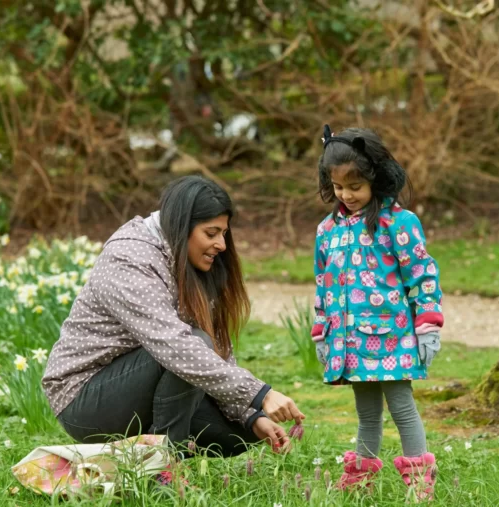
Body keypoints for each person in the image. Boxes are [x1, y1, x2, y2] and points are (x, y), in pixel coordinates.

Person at [42, 175, 304, 459]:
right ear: (182, 227)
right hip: (85, 400)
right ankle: (163, 465)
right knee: (190, 346)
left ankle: (145, 453)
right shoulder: (129, 258)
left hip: (142, 381)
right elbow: (174, 346)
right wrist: (260, 394)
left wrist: (250, 414)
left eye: (224, 233)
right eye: (211, 233)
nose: (222, 245)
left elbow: (214, 349)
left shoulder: (188, 261)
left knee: (239, 434)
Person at [310, 124, 443, 500]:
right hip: (351, 344)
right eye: (338, 187)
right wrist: (323, 330)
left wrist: (428, 325)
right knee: (366, 414)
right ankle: (358, 481)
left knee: (402, 407)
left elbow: (422, 274)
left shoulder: (398, 224)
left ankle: (420, 482)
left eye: (355, 186)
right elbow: (324, 284)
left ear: (375, 177)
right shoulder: (327, 230)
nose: (346, 195)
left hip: (392, 337)